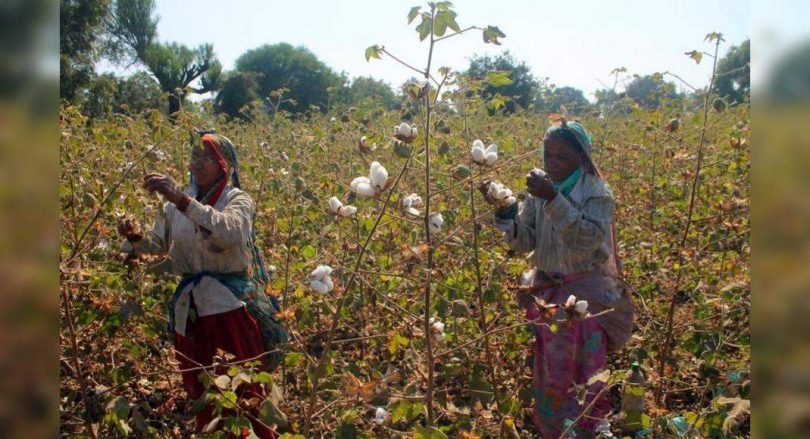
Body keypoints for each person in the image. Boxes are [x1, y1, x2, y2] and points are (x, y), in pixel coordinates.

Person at [118, 131, 287, 438]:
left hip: (230, 309)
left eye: (207, 157)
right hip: (191, 311)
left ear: (224, 164)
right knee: (203, 390)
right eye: (194, 156)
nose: (198, 163)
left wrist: (180, 200)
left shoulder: (237, 199)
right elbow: (159, 246)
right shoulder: (174, 207)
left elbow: (230, 232)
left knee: (244, 389)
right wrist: (133, 237)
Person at [481, 118, 633, 437]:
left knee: (587, 373)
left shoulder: (597, 192)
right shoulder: (539, 190)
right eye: (547, 155)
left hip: (588, 300)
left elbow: (589, 242)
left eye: (560, 157)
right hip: (549, 297)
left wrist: (553, 198)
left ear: (582, 158)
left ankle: (588, 429)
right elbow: (525, 240)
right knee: (551, 371)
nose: (551, 163)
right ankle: (553, 430)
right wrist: (506, 211)